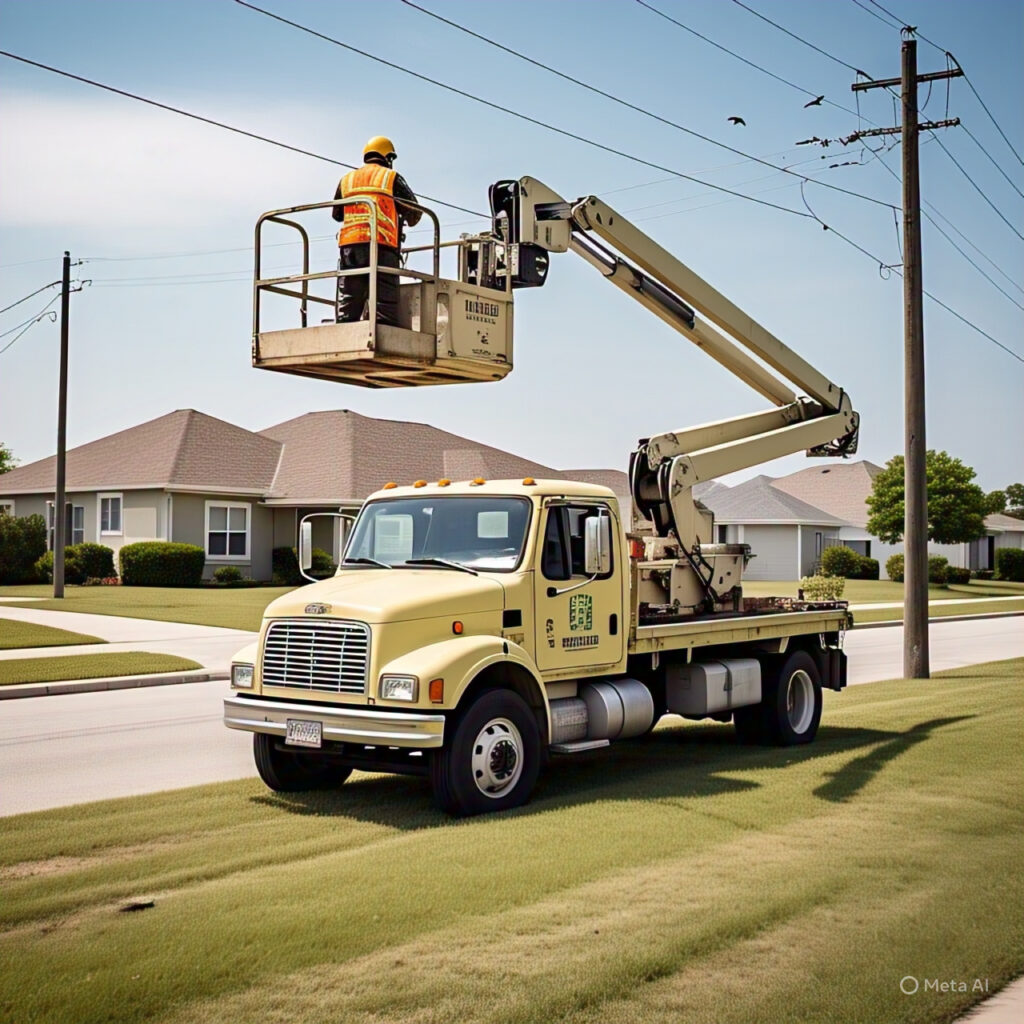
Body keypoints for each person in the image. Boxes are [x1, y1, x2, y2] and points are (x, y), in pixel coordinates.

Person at [333, 135, 421, 327]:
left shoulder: (346, 180)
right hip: (381, 245)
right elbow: (415, 214)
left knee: (349, 298)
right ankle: (383, 334)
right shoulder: (390, 178)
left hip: (350, 248)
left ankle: (344, 332)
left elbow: (337, 214)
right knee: (384, 299)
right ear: (388, 158)